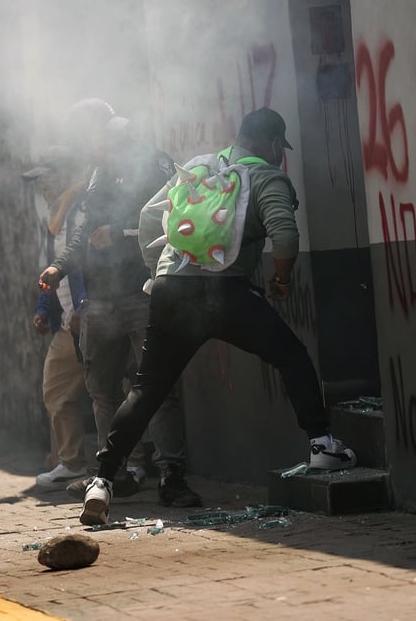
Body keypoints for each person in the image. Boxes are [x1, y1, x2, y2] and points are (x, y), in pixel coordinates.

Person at [74, 107, 356, 525]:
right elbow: (285, 233)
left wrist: (159, 274)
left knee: (146, 388)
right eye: (281, 149)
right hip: (226, 292)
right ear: (274, 145)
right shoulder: (266, 177)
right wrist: (281, 279)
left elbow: (150, 217)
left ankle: (101, 481)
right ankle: (322, 446)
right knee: (291, 355)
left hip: (172, 290)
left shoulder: (197, 167)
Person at [38, 100, 202, 509]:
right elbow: (86, 234)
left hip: (143, 295)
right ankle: (115, 473)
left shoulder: (155, 165)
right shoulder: (97, 176)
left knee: (158, 389)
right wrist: (59, 267)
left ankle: (172, 475)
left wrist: (125, 232)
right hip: (100, 302)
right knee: (102, 393)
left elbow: (176, 216)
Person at [24, 148, 91, 488]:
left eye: (44, 178)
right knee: (55, 389)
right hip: (67, 321)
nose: (41, 188)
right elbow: (51, 271)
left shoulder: (83, 207)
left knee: (112, 393)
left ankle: (130, 466)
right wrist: (42, 310)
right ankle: (72, 463)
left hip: (89, 316)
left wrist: (84, 305)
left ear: (63, 175)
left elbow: (84, 263)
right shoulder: (55, 216)